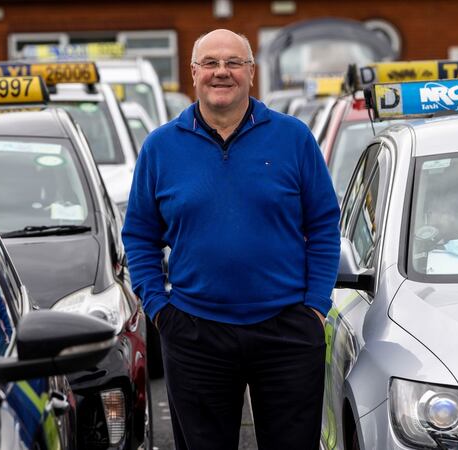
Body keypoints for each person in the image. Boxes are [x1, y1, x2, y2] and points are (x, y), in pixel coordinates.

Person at [121, 29, 340, 450]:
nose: (222, 72)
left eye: (233, 63)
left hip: (288, 330)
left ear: (251, 72)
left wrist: (315, 306)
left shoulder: (293, 138)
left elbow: (325, 225)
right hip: (194, 331)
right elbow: (139, 236)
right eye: (211, 63)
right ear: (194, 73)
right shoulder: (161, 147)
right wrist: (159, 310)